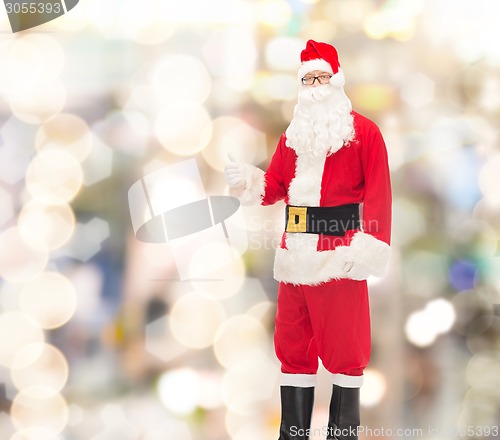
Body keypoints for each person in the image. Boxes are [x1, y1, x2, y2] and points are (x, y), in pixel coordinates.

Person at [224, 40, 392, 440]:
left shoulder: (364, 134)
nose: (315, 85)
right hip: (294, 254)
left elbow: (380, 196)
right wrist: (248, 180)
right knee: (293, 347)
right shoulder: (292, 137)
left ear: (336, 80)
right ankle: (293, 432)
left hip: (340, 255)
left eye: (321, 77)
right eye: (308, 79)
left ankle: (341, 432)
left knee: (345, 351)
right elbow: (276, 186)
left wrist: (369, 247)